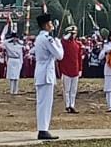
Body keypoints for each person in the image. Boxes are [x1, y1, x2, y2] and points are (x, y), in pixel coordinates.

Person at [33, 12, 64, 140]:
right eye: (50, 23)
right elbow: (60, 55)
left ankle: (43, 128)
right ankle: (43, 129)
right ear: (46, 25)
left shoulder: (39, 38)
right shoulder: (48, 39)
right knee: (45, 103)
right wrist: (59, 43)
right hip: (46, 73)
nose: (52, 25)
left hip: (41, 71)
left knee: (42, 103)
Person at [58, 25, 82, 113]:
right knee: (66, 89)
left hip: (75, 69)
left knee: (73, 90)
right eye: (72, 33)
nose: (73, 35)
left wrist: (80, 69)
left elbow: (79, 58)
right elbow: (63, 40)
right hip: (66, 69)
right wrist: (68, 34)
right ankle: (67, 105)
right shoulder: (64, 43)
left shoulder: (78, 44)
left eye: (74, 33)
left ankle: (72, 105)